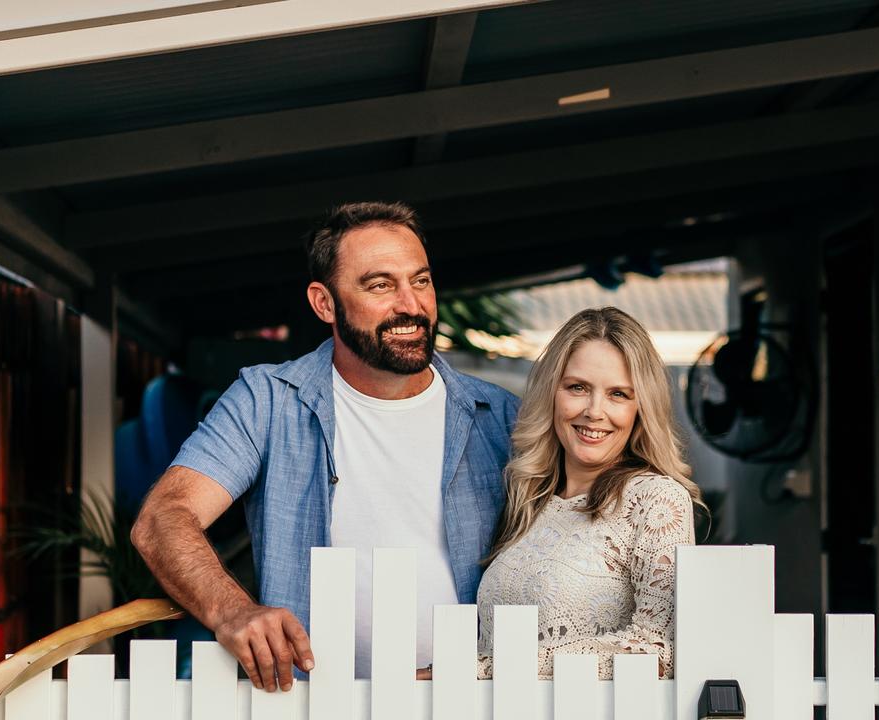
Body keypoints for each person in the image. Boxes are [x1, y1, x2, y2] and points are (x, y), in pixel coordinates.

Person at [131, 201, 519, 691]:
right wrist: (232, 610)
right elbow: (163, 518)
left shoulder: (503, 416)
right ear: (324, 303)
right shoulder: (266, 401)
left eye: (420, 281)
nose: (411, 304)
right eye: (380, 285)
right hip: (313, 701)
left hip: (465, 696)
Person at [474, 307, 703, 680]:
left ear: (640, 409)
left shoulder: (656, 500)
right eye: (577, 388)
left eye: (618, 394)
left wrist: (485, 670)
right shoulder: (530, 497)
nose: (595, 411)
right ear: (552, 393)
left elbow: (657, 648)